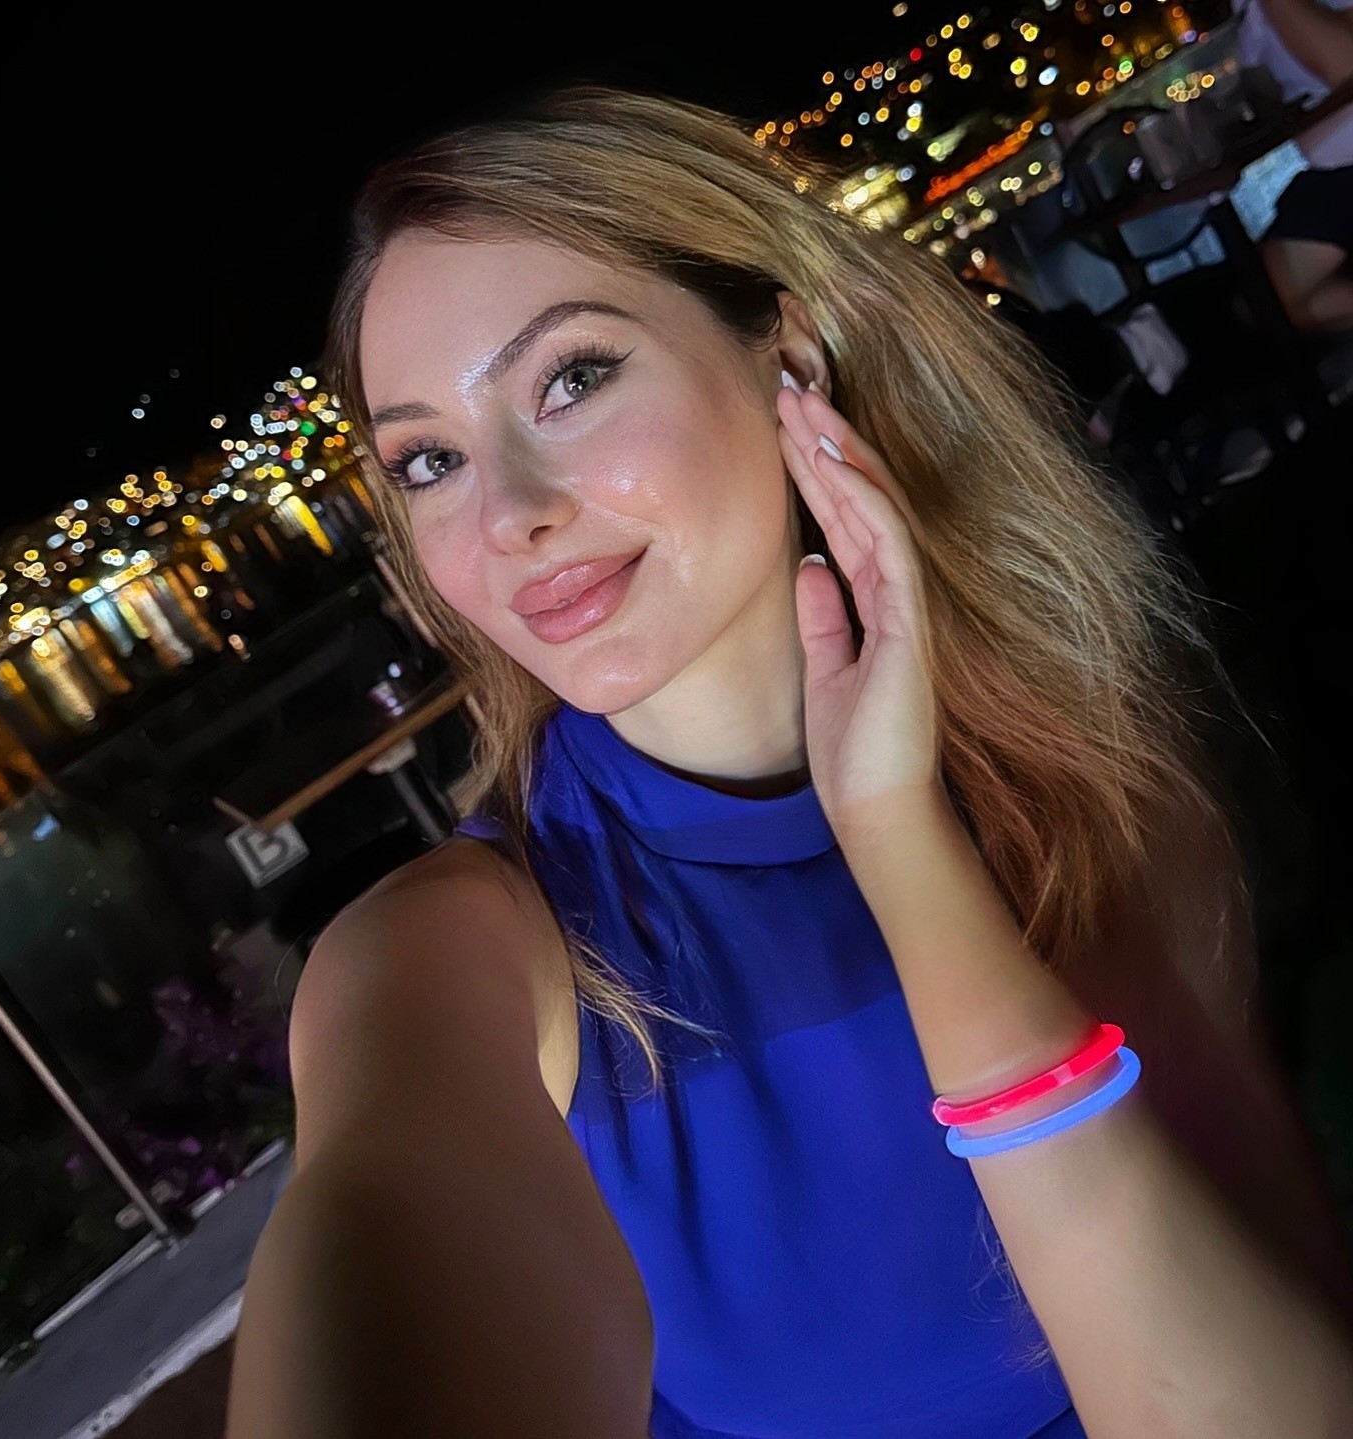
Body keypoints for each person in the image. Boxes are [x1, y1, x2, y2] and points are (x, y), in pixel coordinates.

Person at [225, 89, 1353, 1437]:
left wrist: (899, 838)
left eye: (571, 379)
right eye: (428, 459)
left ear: (788, 355)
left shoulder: (1084, 773)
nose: (509, 513)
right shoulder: (449, 959)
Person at [1237, 0, 1353, 331]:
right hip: (1330, 165)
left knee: (1279, 301)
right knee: (1276, 301)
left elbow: (1346, 66)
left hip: (1341, 157)